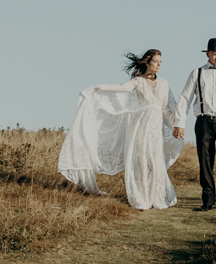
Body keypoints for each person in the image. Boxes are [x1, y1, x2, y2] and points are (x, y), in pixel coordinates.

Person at [58, 49, 184, 211]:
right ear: (147, 62)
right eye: (156, 61)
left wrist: (177, 125)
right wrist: (96, 89)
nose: (159, 64)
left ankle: (157, 197)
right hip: (139, 128)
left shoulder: (164, 83)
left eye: (161, 61)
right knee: (140, 161)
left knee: (155, 161)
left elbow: (167, 109)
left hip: (155, 130)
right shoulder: (137, 82)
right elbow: (119, 88)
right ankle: (142, 198)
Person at [172, 38, 216, 211]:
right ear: (208, 54)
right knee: (205, 161)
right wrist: (180, 122)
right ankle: (208, 199)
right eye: (215, 55)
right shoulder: (197, 73)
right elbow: (185, 98)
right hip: (204, 122)